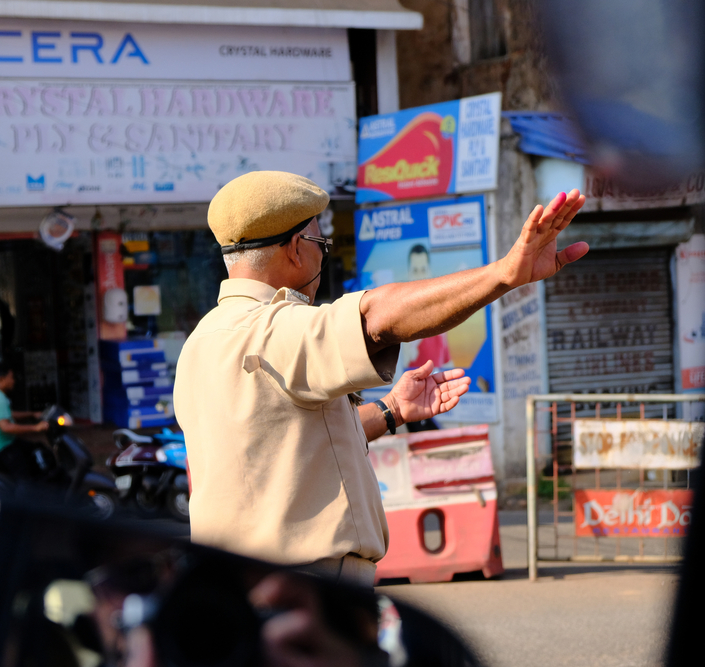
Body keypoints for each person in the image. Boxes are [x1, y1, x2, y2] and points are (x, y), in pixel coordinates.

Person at [173, 171, 587, 585]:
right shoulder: (278, 328)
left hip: (233, 588)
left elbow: (290, 443)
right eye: (322, 245)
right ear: (297, 250)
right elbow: (376, 317)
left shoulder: (200, 343)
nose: (323, 258)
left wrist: (392, 411)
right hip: (308, 589)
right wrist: (504, 274)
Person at [0, 360, 49, 478]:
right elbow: (6, 427)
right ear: (1, 379)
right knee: (24, 474)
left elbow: (8, 414)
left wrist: (32, 414)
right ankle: (24, 495)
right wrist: (35, 428)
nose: (14, 381)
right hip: (0, 448)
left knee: (35, 448)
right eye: (11, 377)